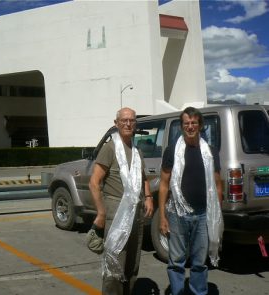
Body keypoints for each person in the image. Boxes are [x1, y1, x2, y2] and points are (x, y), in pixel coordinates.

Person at [158, 106, 223, 295]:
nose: (190, 126)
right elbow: (163, 184)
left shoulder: (210, 151)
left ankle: (198, 292)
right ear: (182, 126)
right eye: (186, 123)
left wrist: (216, 215)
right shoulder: (171, 151)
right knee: (176, 261)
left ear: (200, 125)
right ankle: (177, 292)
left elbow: (218, 183)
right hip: (177, 214)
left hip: (203, 215)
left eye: (194, 123)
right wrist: (162, 216)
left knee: (199, 263)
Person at [89, 107, 154, 295]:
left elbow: (142, 177)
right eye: (124, 120)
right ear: (116, 123)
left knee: (132, 263)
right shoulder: (109, 148)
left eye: (132, 120)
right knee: (115, 261)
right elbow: (95, 182)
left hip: (136, 212)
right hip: (116, 211)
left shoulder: (136, 150)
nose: (128, 123)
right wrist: (101, 213)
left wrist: (148, 197)